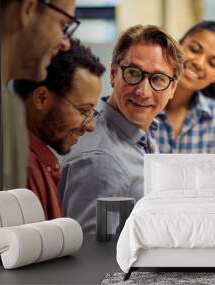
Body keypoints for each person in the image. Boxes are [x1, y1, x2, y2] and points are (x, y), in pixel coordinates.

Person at [59, 25, 184, 233]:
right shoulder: (100, 160)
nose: (143, 91)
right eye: (133, 73)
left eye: (158, 79)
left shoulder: (144, 133)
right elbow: (90, 256)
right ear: (114, 74)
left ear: (172, 89)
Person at [13, 38, 105, 219]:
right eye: (83, 110)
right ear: (41, 98)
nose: (91, 126)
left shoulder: (36, 165)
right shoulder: (25, 172)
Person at [1, 0, 79, 189]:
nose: (65, 43)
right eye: (62, 24)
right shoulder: (4, 111)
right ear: (28, 8)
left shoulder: (9, 107)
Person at [154, 21, 215, 153]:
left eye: (213, 63)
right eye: (194, 49)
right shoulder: (142, 102)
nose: (199, 64)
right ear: (178, 46)